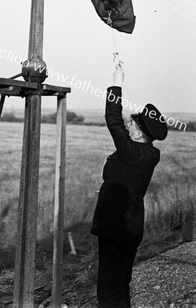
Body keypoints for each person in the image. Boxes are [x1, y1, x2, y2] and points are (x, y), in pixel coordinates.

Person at [91, 63, 168, 308]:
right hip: (127, 230)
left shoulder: (134, 152)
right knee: (120, 286)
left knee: (109, 291)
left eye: (132, 124)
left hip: (116, 230)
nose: (128, 125)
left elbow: (112, 118)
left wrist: (117, 81)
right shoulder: (144, 153)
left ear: (138, 134)